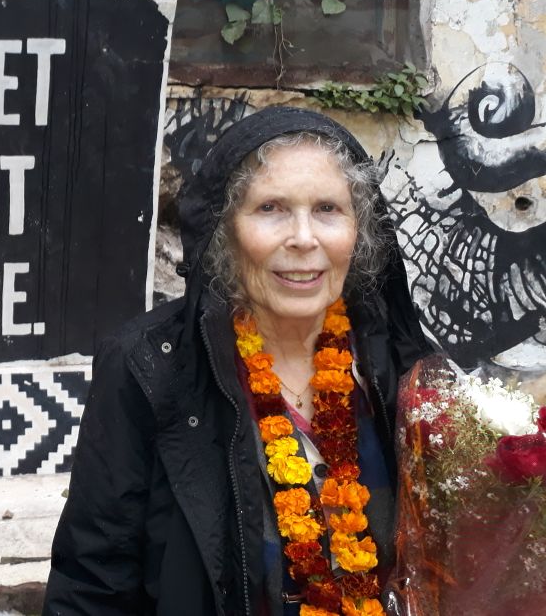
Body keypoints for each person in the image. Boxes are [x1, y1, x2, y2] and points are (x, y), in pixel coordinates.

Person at [44, 106, 434, 615]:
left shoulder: (400, 363)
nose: (303, 237)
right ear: (225, 231)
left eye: (328, 209)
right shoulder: (150, 367)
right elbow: (93, 583)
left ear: (358, 231)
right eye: (271, 208)